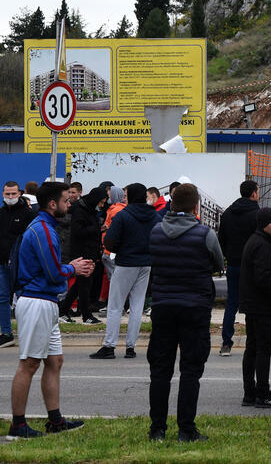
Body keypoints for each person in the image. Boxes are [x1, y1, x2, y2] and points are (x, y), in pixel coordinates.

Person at [7, 182, 93, 439]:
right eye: (67, 200)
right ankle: (18, 426)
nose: (70, 204)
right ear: (52, 204)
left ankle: (55, 421)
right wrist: (73, 269)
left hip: (44, 301)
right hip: (37, 301)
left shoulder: (44, 227)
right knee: (29, 364)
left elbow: (52, 268)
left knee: (54, 361)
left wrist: (69, 267)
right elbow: (54, 272)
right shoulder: (43, 229)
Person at [147, 183, 225, 442]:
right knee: (190, 370)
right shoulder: (204, 233)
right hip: (195, 307)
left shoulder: (156, 231)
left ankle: (157, 429)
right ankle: (186, 429)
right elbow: (218, 263)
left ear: (170, 203)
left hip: (162, 306)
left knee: (160, 370)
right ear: (195, 207)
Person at [90, 184, 158, 360]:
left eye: (127, 195)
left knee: (115, 305)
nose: (124, 198)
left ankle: (109, 345)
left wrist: (120, 248)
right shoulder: (154, 216)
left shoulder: (123, 215)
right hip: (146, 264)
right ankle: (130, 347)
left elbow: (110, 241)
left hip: (126, 262)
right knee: (137, 306)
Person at [239, 207, 271, 408]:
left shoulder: (257, 241)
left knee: (252, 348)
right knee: (263, 349)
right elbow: (262, 278)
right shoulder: (262, 245)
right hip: (261, 306)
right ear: (263, 224)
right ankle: (262, 393)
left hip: (253, 305)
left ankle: (249, 393)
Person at [217, 180, 260, 356]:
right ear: (253, 194)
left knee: (232, 303)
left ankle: (226, 343)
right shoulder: (257, 214)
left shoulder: (227, 213)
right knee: (254, 304)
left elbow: (222, 240)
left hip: (234, 264)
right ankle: (254, 342)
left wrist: (229, 256)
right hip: (252, 266)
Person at [59, 186, 108, 325]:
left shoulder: (89, 209)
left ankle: (63, 310)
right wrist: (97, 228)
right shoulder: (80, 211)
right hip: (82, 253)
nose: (101, 206)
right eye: (101, 202)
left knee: (80, 284)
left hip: (90, 251)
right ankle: (86, 315)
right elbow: (78, 231)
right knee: (84, 285)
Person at [0, 181, 36, 348]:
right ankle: (6, 333)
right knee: (2, 298)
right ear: (3, 194)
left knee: (23, 299)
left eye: (13, 194)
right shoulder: (1, 213)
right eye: (7, 194)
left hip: (21, 264)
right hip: (2, 262)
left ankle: (28, 332)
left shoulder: (28, 214)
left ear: (20, 193)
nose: (10, 197)